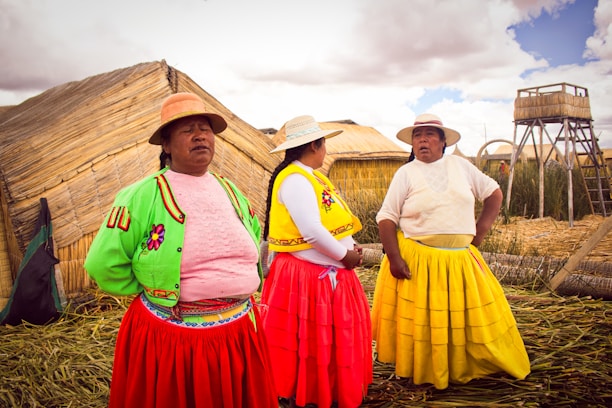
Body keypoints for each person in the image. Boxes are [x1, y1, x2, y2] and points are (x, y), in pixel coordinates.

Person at [84, 92, 278, 408]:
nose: (200, 135)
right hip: (175, 340)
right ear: (166, 143)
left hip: (239, 334)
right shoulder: (141, 196)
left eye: (205, 128)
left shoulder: (230, 190)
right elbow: (102, 263)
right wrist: (155, 290)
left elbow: (254, 239)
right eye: (187, 130)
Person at [371, 113, 530, 390]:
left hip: (459, 260)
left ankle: (465, 364)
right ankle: (428, 368)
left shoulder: (461, 166)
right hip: (421, 260)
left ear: (443, 141)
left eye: (430, 135)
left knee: (469, 318)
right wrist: (394, 258)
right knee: (427, 322)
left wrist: (480, 230)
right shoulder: (406, 173)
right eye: (417, 136)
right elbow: (386, 217)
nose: (423, 140)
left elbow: (493, 193)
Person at [260, 115, 372, 408]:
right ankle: (309, 393)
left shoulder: (311, 177)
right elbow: (311, 230)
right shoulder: (296, 180)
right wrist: (344, 255)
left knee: (322, 343)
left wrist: (350, 245)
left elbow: (330, 222)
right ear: (315, 145)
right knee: (308, 343)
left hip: (325, 273)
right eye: (324, 145)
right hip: (309, 279)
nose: (325, 152)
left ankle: (326, 389)